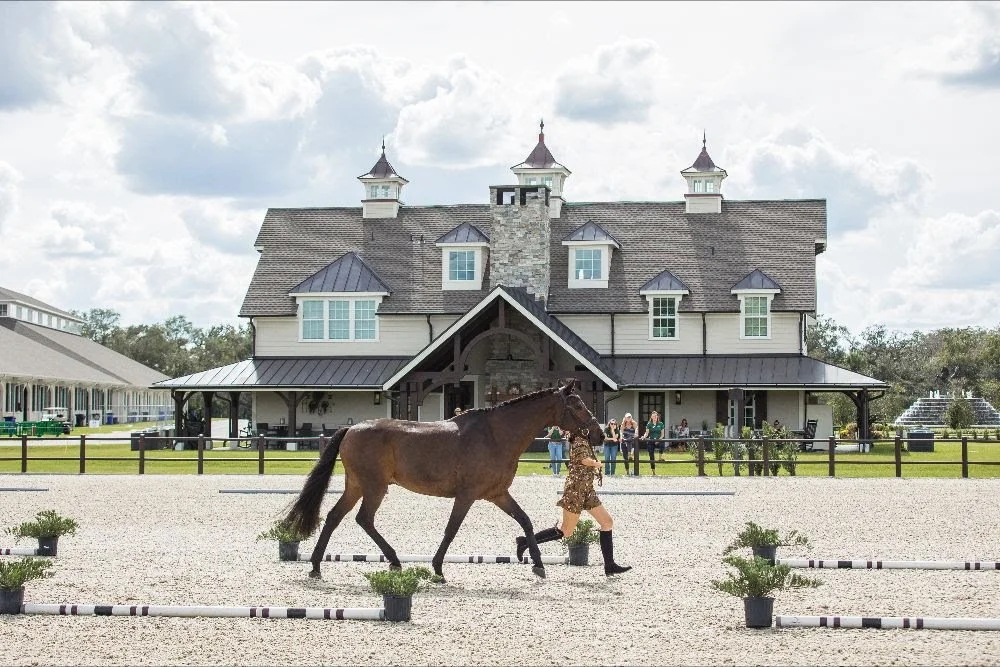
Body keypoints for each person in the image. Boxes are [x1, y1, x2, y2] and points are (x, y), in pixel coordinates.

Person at [516, 429, 632, 576]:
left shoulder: (584, 439)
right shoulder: (578, 439)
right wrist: (595, 463)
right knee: (566, 530)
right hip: (576, 489)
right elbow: (583, 459)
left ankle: (610, 566)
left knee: (607, 522)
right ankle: (525, 542)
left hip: (587, 490)